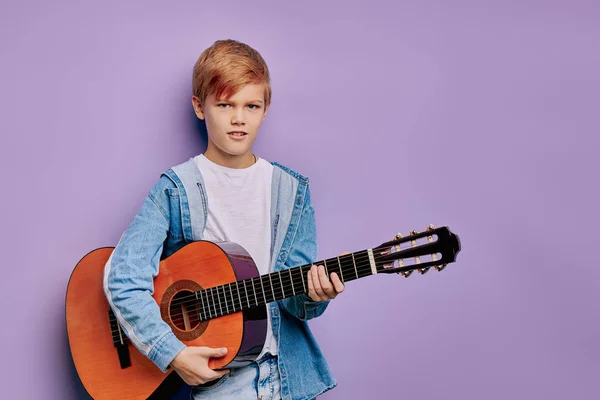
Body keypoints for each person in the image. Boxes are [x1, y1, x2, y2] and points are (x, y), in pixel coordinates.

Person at [103, 39, 345, 400]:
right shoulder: (176, 189)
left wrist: (315, 296)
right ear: (200, 108)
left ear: (266, 108)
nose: (238, 118)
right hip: (220, 383)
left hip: (287, 378)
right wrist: (173, 353)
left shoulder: (291, 189)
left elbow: (296, 302)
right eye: (225, 104)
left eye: (251, 105)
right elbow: (122, 277)